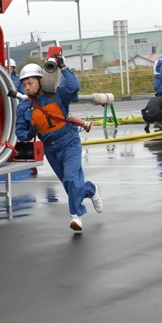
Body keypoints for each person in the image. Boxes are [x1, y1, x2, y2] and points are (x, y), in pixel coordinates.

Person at [15, 61, 103, 232]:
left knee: (71, 179)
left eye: (30, 83)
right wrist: (30, 133)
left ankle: (76, 217)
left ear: (40, 80)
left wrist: (63, 67)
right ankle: (91, 189)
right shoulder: (24, 107)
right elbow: (20, 132)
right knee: (70, 185)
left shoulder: (57, 95)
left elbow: (74, 86)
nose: (27, 87)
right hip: (50, 149)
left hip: (69, 141)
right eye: (24, 85)